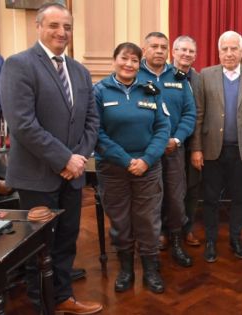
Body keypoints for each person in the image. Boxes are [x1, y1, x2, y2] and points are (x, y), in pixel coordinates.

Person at [0, 3, 102, 314]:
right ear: (39, 27)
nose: (61, 32)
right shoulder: (19, 65)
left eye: (67, 27)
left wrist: (79, 158)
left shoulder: (80, 71)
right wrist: (64, 159)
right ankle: (40, 305)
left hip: (73, 174)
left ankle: (62, 297)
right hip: (36, 176)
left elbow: (92, 121)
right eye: (54, 25)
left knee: (67, 241)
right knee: (38, 247)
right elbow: (22, 124)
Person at [94, 42, 170, 294]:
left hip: (148, 169)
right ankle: (126, 269)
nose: (129, 64)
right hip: (113, 169)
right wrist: (125, 160)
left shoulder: (152, 90)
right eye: (124, 59)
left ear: (140, 64)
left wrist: (147, 159)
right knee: (120, 221)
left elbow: (162, 128)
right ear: (114, 60)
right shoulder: (99, 91)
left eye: (134, 61)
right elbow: (97, 133)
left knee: (148, 220)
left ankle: (150, 269)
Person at [190, 30, 242, 263]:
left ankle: (235, 238)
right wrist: (196, 148)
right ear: (218, 52)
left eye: (234, 49)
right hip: (212, 150)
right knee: (211, 199)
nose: (229, 53)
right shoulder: (205, 75)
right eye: (225, 49)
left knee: (240, 199)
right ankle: (211, 241)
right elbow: (199, 114)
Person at [138, 32, 196, 268]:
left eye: (163, 46)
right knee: (149, 199)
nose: (159, 51)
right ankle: (152, 239)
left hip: (173, 150)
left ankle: (175, 238)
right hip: (144, 151)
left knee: (174, 197)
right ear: (145, 50)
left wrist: (178, 140)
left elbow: (190, 114)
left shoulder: (179, 77)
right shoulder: (134, 75)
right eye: (154, 46)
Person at [172, 35, 202, 247]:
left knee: (192, 189)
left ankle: (188, 228)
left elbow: (201, 113)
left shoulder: (200, 79)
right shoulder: (163, 76)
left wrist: (198, 146)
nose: (186, 54)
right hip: (170, 144)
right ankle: (168, 229)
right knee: (170, 190)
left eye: (191, 51)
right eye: (182, 50)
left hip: (195, 143)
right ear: (173, 52)